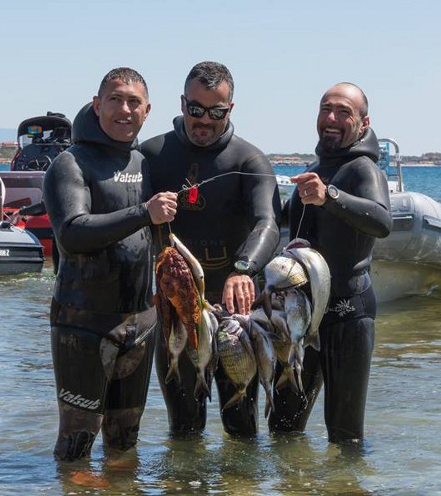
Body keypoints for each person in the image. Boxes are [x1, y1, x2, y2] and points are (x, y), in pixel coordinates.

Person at [42, 67, 178, 462]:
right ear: (97, 104)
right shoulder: (70, 164)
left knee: (125, 441)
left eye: (134, 102)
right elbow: (72, 232)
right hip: (83, 321)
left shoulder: (144, 161)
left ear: (147, 110)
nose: (124, 109)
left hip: (141, 321)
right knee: (77, 442)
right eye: (115, 99)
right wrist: (143, 213)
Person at [139, 61, 281, 437]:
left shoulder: (249, 160)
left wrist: (244, 269)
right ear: (182, 103)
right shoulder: (151, 155)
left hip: (236, 312)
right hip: (177, 310)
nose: (204, 119)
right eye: (196, 109)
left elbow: (268, 222)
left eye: (216, 112)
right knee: (184, 431)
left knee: (242, 428)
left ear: (230, 109)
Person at [268, 82, 392, 443]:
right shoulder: (315, 167)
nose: (332, 118)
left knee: (345, 436)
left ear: (363, 123)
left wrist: (330, 196)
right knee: (283, 428)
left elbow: (382, 222)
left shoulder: (363, 170)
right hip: (302, 316)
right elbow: (286, 223)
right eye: (326, 109)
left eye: (343, 112)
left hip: (348, 314)